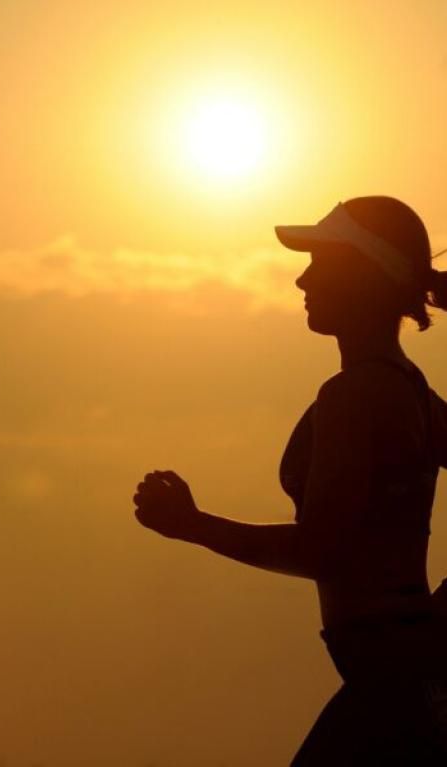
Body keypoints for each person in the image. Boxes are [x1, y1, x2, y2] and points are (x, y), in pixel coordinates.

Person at [133, 196, 447, 764]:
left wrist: (193, 525)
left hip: (390, 687)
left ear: (363, 276)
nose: (302, 278)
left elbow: (324, 551)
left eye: (321, 262)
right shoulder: (411, 390)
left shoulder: (354, 395)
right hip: (409, 677)